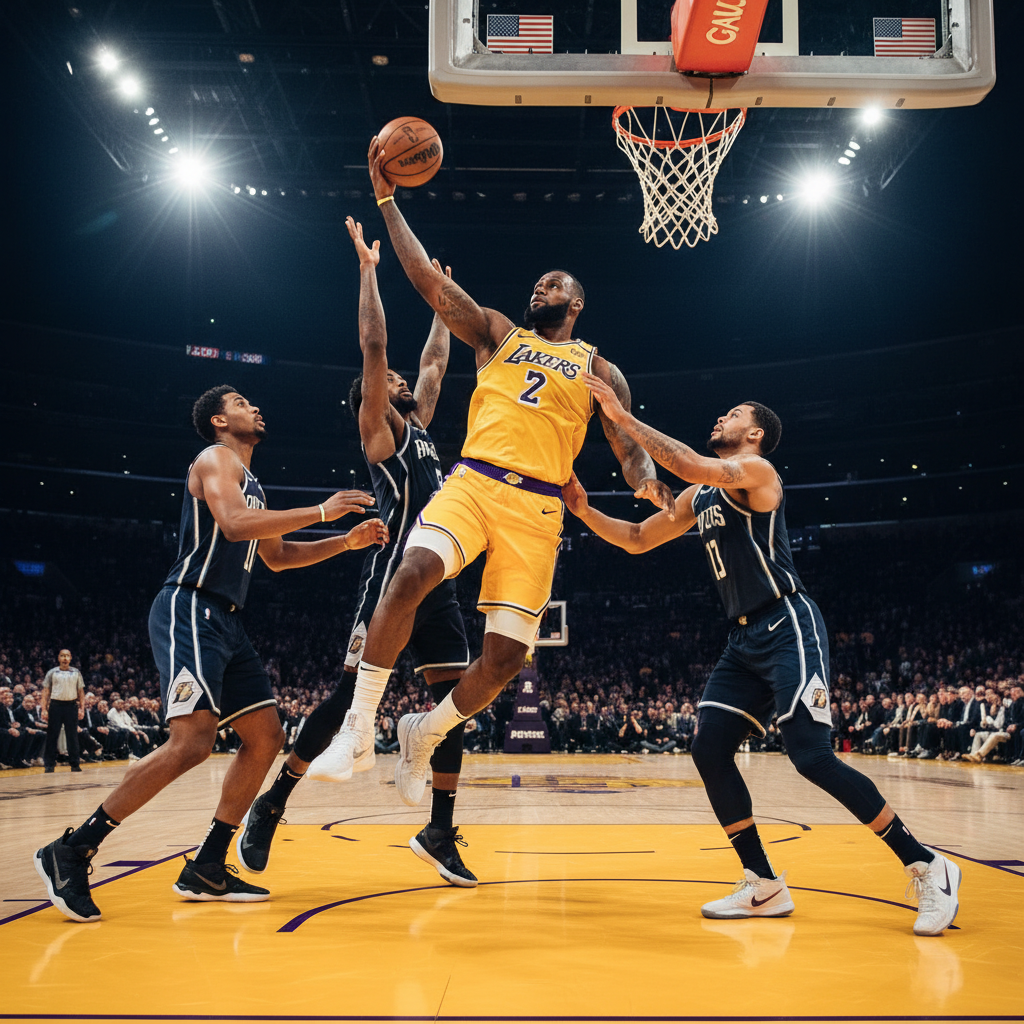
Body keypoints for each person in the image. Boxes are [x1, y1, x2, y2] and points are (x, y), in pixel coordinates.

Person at [560, 386, 961, 937]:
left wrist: (622, 419)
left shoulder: (758, 472)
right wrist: (583, 510)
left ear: (754, 434)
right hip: (744, 639)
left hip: (787, 624)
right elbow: (635, 538)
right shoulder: (700, 498)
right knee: (709, 747)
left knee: (812, 757)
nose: (721, 414)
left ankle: (927, 865)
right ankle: (763, 883)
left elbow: (692, 463)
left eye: (735, 413)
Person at [347, 136, 674, 807]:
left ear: (577, 304)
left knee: (502, 660)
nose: (541, 288)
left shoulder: (597, 368)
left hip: (540, 509)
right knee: (410, 572)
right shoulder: (500, 332)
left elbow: (625, 440)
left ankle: (426, 730)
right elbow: (429, 284)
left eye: (554, 284)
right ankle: (360, 722)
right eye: (538, 283)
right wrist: (387, 202)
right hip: (474, 481)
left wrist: (644, 477)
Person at [34, 385, 388, 923]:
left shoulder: (257, 487)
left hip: (227, 621)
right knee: (192, 742)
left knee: (266, 737)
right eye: (244, 402)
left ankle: (208, 864)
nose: (256, 407)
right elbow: (233, 524)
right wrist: (322, 509)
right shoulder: (215, 458)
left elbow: (277, 556)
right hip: (189, 606)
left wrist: (345, 542)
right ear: (220, 421)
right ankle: (73, 849)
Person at [238, 217, 479, 888]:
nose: (403, 381)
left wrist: (442, 302)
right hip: (390, 583)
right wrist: (371, 270)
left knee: (452, 703)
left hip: (441, 587)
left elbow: (433, 363)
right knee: (347, 698)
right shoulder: (382, 437)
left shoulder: (423, 433)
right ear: (371, 402)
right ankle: (274, 801)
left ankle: (438, 828)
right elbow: (375, 347)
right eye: (389, 382)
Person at [40, 649, 86, 773]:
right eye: (62, 656)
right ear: (58, 658)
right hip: (55, 705)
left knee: (72, 736)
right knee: (52, 735)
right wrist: (43, 709)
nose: (65, 658)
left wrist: (82, 708)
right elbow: (45, 692)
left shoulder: (76, 672)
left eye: (67, 656)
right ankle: (49, 764)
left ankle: (75, 764)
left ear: (70, 658)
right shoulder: (52, 672)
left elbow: (81, 692)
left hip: (71, 706)